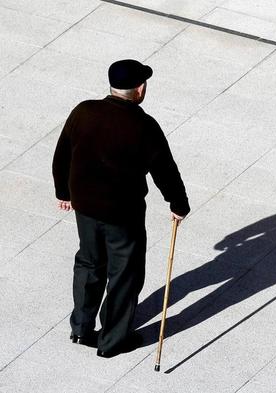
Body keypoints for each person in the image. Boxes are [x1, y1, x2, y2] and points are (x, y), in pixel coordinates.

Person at [52, 59, 190, 358]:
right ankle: (113, 341)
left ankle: (81, 328)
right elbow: (165, 171)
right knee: (124, 273)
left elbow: (62, 153)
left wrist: (63, 191)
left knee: (89, 263)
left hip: (85, 208)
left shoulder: (83, 111)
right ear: (139, 89)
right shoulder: (144, 126)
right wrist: (178, 204)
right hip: (121, 215)